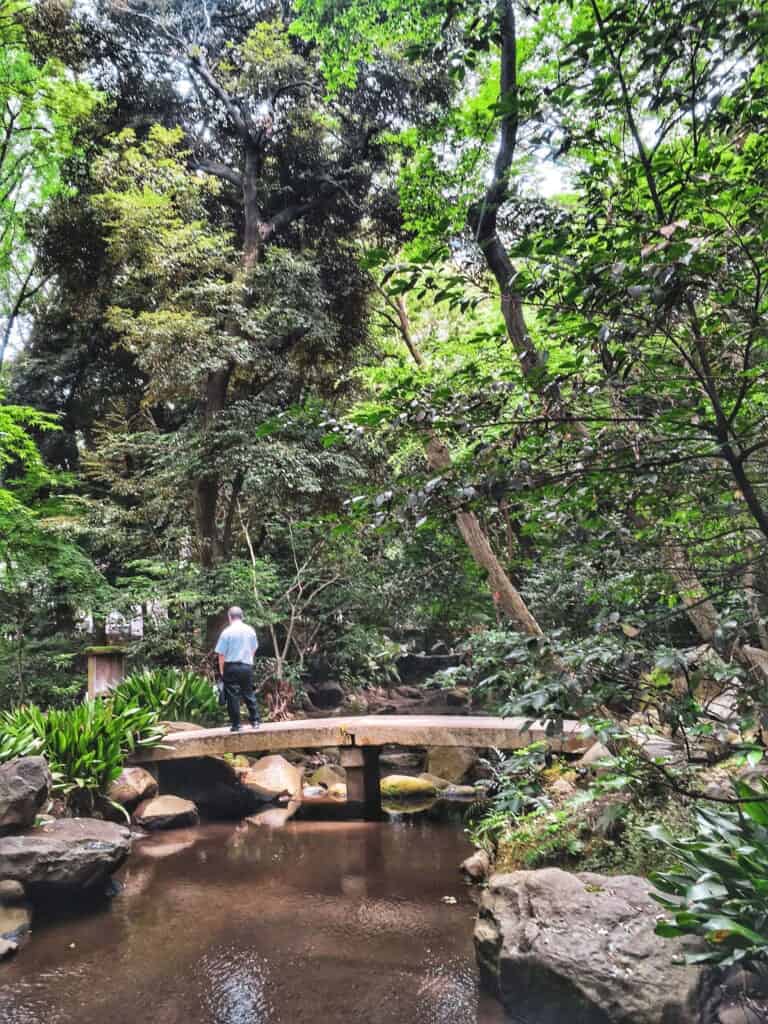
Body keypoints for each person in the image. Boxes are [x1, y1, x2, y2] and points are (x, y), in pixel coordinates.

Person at [215, 606, 260, 732]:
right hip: (246, 666)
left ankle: (236, 725)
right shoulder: (250, 630)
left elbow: (221, 654)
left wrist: (222, 671)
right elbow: (254, 647)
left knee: (232, 696)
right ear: (242, 616)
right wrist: (249, 659)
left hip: (231, 666)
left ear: (229, 617)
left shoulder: (226, 632)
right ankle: (255, 721)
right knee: (248, 692)